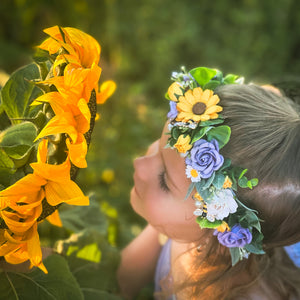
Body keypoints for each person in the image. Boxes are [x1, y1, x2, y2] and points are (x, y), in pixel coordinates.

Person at [117, 66, 300, 300]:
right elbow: (120, 281)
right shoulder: (185, 226)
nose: (139, 164)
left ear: (220, 232)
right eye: (159, 144)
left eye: (164, 181)